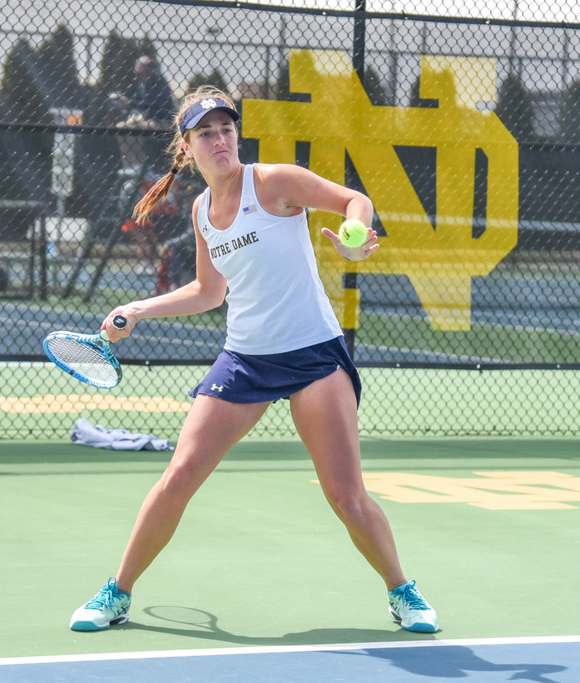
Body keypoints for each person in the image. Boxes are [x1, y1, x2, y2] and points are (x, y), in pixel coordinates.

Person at [69, 88, 439, 634]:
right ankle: (117, 594)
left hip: (313, 356)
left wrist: (356, 238)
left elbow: (352, 201)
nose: (219, 140)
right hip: (245, 360)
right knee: (180, 475)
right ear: (187, 147)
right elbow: (207, 291)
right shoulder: (201, 211)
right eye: (206, 133)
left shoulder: (273, 182)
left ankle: (402, 591)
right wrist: (137, 308)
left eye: (225, 129)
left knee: (345, 495)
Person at [110, 56, 176, 167]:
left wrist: (129, 103)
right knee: (121, 126)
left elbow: (152, 106)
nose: (139, 76)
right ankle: (130, 164)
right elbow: (138, 101)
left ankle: (137, 164)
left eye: (141, 73)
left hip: (161, 121)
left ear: (150, 70)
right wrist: (124, 102)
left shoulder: (159, 82)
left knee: (132, 129)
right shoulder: (141, 84)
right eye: (137, 73)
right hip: (146, 119)